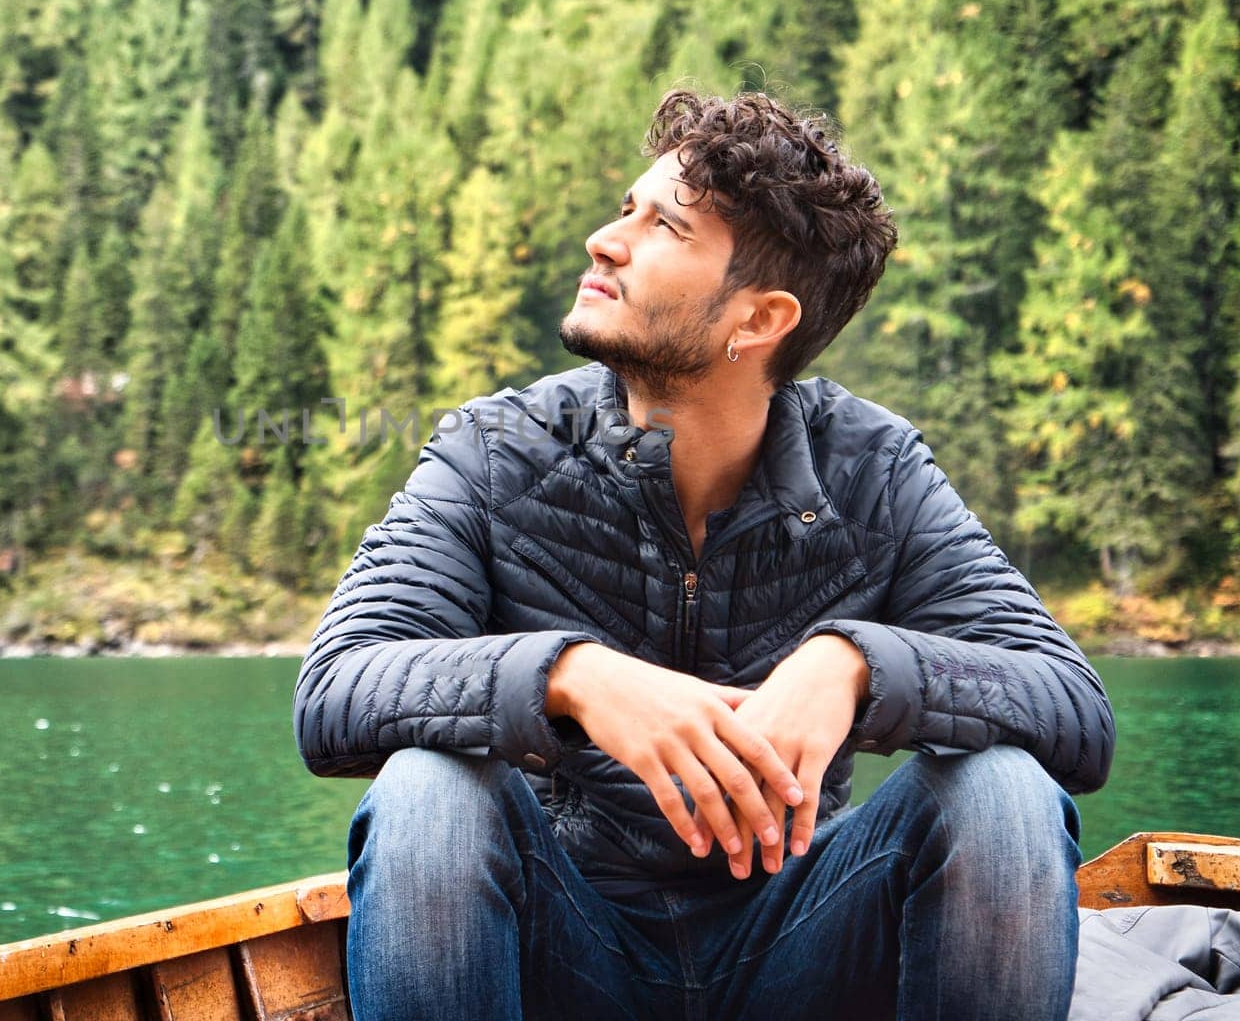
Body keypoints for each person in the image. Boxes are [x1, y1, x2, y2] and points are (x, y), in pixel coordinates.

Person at [292, 87, 1116, 1020]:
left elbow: (1074, 708)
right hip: (565, 948)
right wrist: (574, 678)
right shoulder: (495, 452)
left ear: (759, 321)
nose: (608, 240)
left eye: (663, 228)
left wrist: (856, 662)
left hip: (803, 945)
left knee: (1002, 793)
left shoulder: (873, 470)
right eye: (626, 209)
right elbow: (337, 691)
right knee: (429, 791)